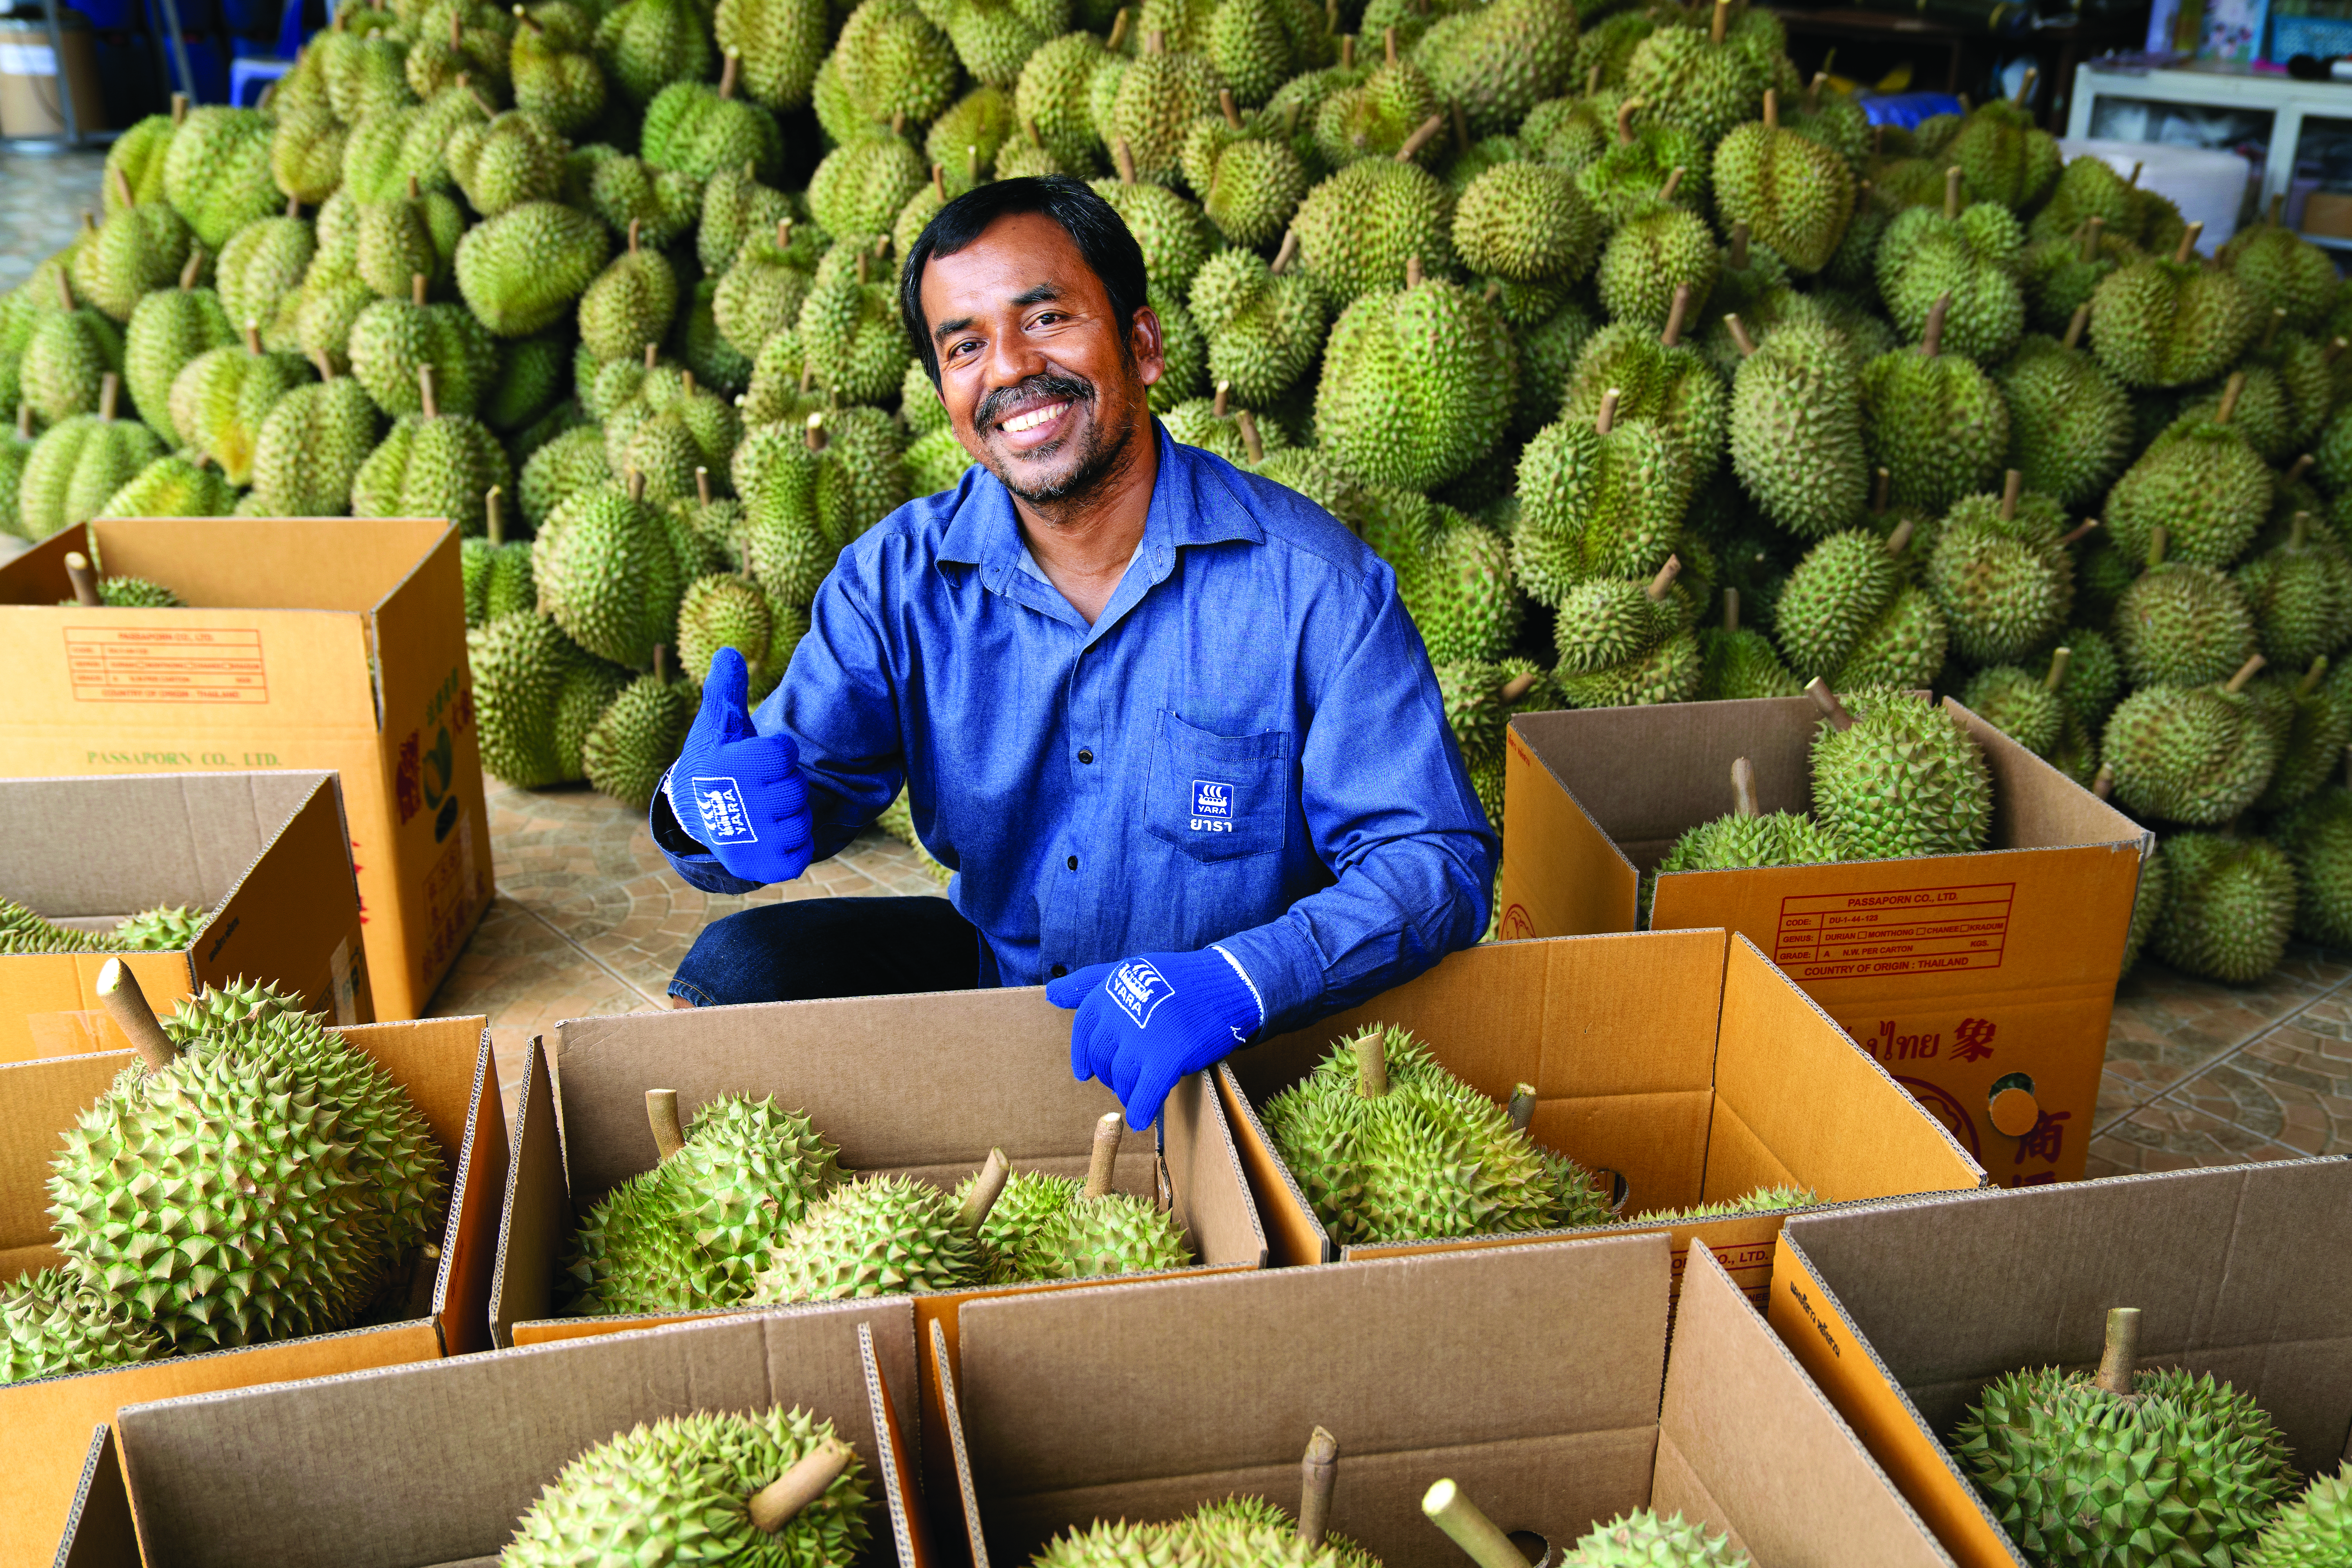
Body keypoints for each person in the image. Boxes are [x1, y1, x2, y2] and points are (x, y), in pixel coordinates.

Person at [653, 174, 1495, 1131]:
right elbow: (791, 786)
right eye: (965, 345)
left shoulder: (1317, 587)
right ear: (946, 396)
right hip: (1008, 993)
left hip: (1234, 1042)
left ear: (1141, 344)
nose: (1010, 368)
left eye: (1045, 318)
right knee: (736, 971)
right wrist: (698, 811)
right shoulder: (896, 579)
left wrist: (1250, 977)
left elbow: (1435, 858)